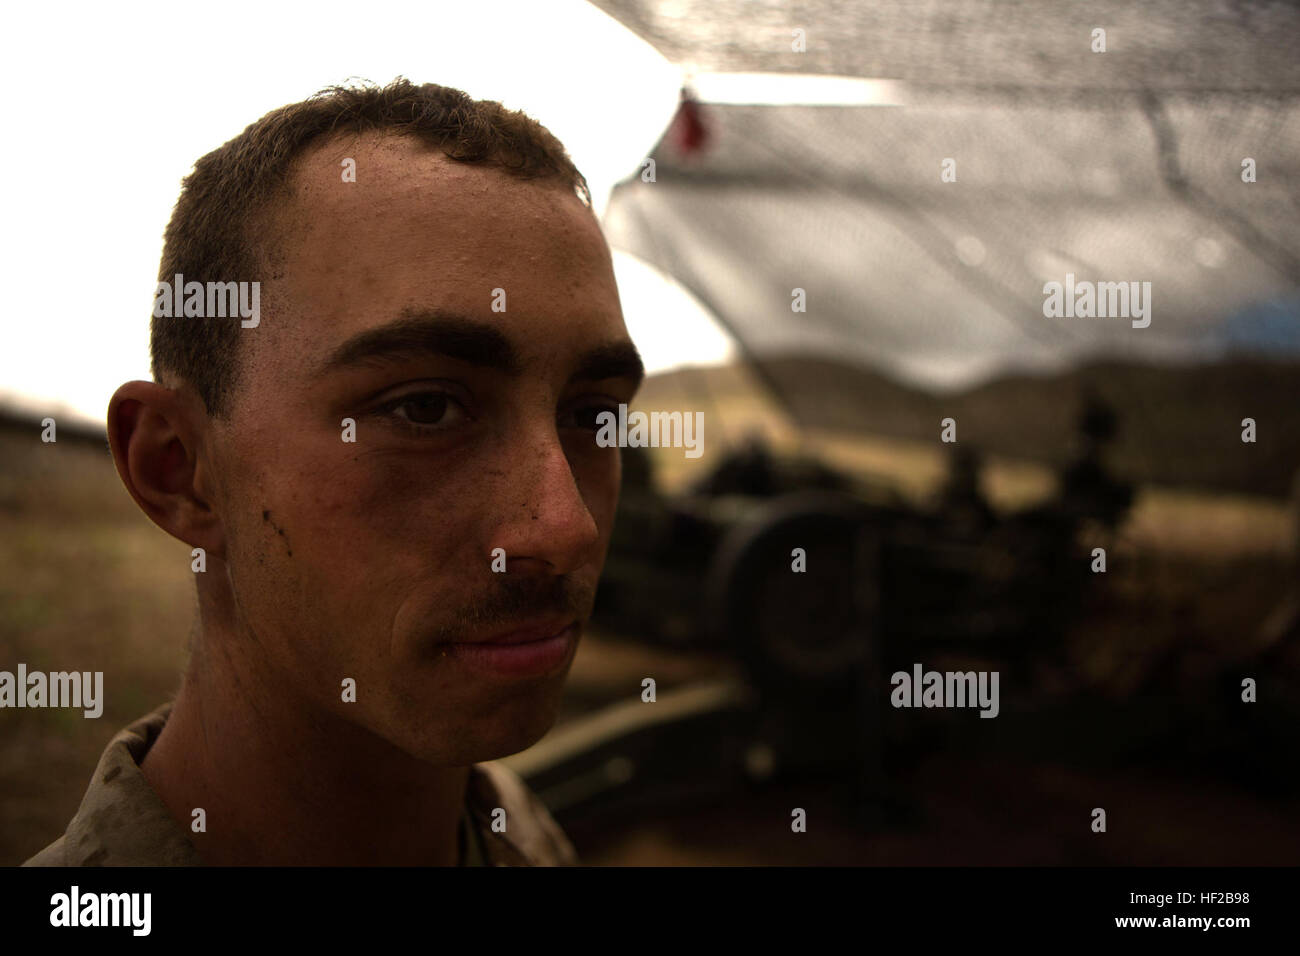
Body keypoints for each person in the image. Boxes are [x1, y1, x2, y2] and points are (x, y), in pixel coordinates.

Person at [24, 78, 644, 866]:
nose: (564, 526)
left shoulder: (520, 835)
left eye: (592, 415)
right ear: (178, 468)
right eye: (425, 409)